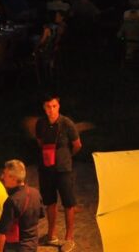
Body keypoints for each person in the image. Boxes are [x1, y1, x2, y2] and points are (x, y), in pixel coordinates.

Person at [34, 95, 81, 252]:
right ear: (44, 107)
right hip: (46, 168)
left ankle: (69, 238)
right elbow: (40, 142)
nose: (51, 109)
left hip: (63, 169)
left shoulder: (66, 123)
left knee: (68, 202)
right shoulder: (41, 123)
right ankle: (51, 234)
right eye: (48, 106)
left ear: (59, 106)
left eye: (54, 106)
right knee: (50, 202)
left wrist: (66, 156)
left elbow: (77, 145)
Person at [0, 160, 44, 252]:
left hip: (16, 247)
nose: (2, 177)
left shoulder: (12, 201)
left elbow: (2, 232)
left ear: (13, 179)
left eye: (5, 174)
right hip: (32, 245)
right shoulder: (35, 193)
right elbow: (40, 215)